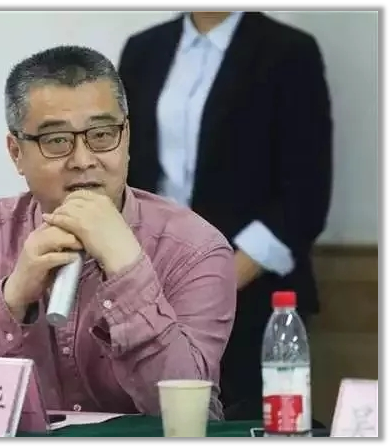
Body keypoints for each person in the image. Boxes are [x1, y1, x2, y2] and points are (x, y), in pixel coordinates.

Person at [0, 45, 237, 419]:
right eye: (57, 140)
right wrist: (12, 298)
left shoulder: (196, 248)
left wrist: (128, 270)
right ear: (16, 152)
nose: (83, 160)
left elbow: (189, 413)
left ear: (126, 137)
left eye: (101, 134)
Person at [117, 12, 333, 419]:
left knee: (245, 418)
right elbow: (124, 164)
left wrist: (217, 280)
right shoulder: (144, 49)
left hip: (254, 294)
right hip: (156, 285)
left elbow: (306, 193)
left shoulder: (289, 51)